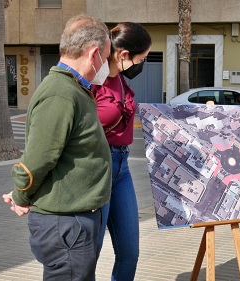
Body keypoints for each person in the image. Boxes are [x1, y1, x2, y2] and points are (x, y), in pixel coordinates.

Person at [2, 14, 112, 280]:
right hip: (66, 224)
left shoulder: (72, 88)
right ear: (94, 53)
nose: (106, 65)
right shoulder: (60, 93)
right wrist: (20, 196)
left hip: (73, 220)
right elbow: (37, 160)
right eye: (106, 58)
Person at [93, 22, 151, 280]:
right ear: (124, 54)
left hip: (122, 168)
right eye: (143, 58)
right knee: (88, 254)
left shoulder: (121, 81)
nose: (142, 64)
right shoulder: (93, 80)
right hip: (96, 168)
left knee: (130, 251)